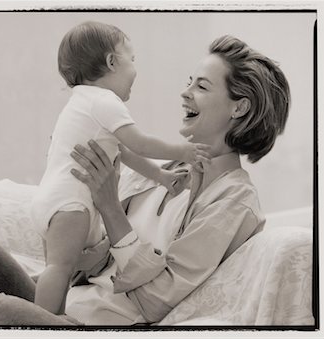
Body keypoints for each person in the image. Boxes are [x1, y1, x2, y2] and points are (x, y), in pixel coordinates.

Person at [0, 34, 290, 326]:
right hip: (61, 304)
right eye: (188, 82)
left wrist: (110, 207)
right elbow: (90, 264)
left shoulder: (233, 201)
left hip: (90, 326)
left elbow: (153, 301)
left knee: (4, 313)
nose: (184, 94)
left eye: (200, 86)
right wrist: (72, 190)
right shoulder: (162, 176)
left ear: (240, 108)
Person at [31, 21, 211, 315]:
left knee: (58, 272)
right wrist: (182, 151)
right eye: (132, 59)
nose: (135, 70)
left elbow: (123, 152)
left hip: (53, 200)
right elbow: (138, 143)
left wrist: (160, 176)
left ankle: (51, 319)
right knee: (58, 270)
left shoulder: (81, 103)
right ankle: (40, 325)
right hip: (70, 204)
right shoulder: (105, 101)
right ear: (112, 62)